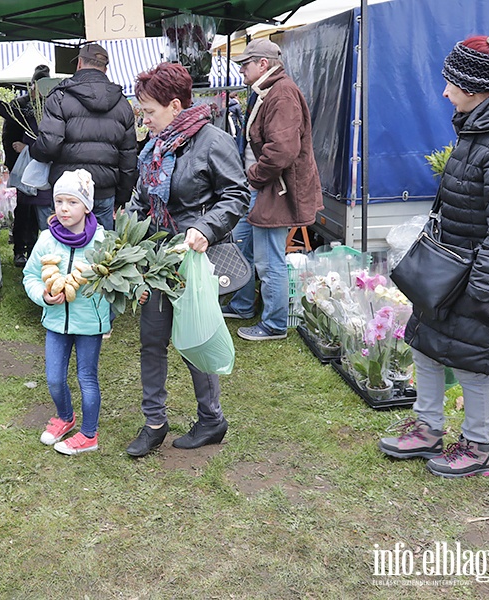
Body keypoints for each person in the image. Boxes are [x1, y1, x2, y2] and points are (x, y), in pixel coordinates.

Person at [378, 29, 489, 478]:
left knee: (470, 364)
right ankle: (428, 427)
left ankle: (477, 446)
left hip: (484, 276)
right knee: (426, 346)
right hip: (451, 270)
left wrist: (484, 287)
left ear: (476, 88)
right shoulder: (480, 126)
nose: (444, 92)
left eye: (451, 84)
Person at [124, 62, 249, 457]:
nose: (144, 119)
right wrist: (124, 235)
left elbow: (237, 195)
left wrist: (206, 228)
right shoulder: (155, 145)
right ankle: (154, 423)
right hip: (158, 258)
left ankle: (211, 419)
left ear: (175, 105)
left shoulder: (214, 141)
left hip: (196, 260)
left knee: (195, 338)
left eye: (149, 111)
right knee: (152, 340)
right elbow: (143, 198)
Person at [223, 38, 323, 341]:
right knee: (243, 249)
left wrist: (253, 175)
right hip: (262, 185)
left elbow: (282, 151)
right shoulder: (268, 90)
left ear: (263, 64)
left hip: (272, 188)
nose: (241, 70)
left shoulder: (281, 94)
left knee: (270, 261)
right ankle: (242, 304)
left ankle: (275, 325)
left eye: (245, 64)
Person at [22, 169, 111, 455]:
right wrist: (44, 297)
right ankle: (65, 416)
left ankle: (89, 435)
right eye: (59, 201)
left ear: (87, 206)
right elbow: (30, 276)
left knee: (87, 377)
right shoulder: (47, 239)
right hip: (56, 323)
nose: (63, 208)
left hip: (89, 325)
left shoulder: (102, 241)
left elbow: (115, 279)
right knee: (54, 378)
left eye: (72, 202)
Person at [29, 42, 137, 230]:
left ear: (79, 63)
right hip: (104, 192)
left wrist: (33, 151)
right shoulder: (122, 103)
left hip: (68, 193)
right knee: (102, 252)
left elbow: (49, 145)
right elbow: (128, 156)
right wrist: (122, 197)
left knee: (65, 251)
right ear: (105, 68)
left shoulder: (60, 96)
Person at [0, 64, 54, 266]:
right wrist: (14, 165)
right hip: (24, 170)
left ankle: (39, 251)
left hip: (44, 170)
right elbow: (8, 136)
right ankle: (21, 250)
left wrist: (28, 147)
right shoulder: (20, 106)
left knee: (42, 212)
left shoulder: (52, 107)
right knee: (24, 211)